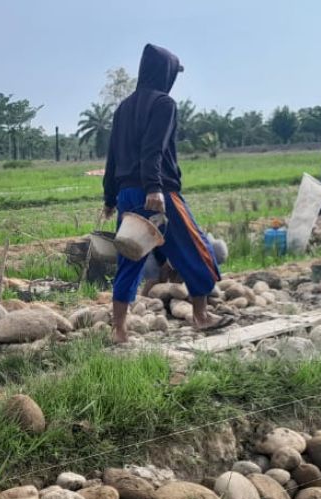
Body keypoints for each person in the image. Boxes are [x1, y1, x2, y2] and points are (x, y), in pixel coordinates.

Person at [102, 44, 230, 344]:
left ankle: (119, 330)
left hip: (127, 196)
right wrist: (154, 188)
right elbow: (153, 149)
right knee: (197, 248)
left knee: (130, 257)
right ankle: (201, 316)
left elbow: (112, 158)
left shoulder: (123, 108)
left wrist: (109, 198)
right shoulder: (164, 103)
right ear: (166, 73)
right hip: (159, 194)